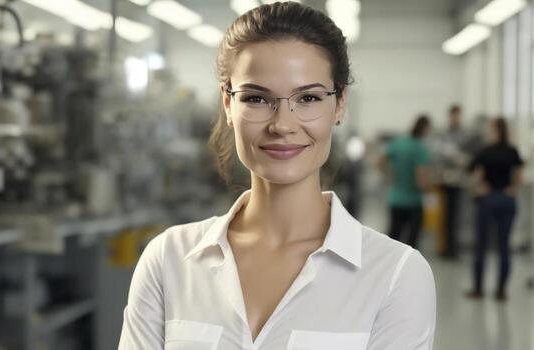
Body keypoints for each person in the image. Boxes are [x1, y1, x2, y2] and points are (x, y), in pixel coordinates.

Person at [118, 3, 436, 349]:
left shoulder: (395, 275)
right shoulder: (169, 260)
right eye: (256, 98)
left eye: (309, 98)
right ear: (228, 104)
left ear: (340, 104)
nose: (282, 125)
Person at [466, 117, 524, 301]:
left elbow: (472, 170)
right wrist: (513, 189)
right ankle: (501, 291)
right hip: (507, 199)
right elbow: (519, 174)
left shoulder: (485, 151)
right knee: (504, 246)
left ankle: (478, 289)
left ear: (495, 131)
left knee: (481, 245)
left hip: (488, 199)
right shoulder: (512, 151)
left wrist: (479, 187)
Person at [379, 115, 433, 249]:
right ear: (425, 129)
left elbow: (379, 161)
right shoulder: (420, 148)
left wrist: (390, 176)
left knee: (393, 242)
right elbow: (420, 181)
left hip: (395, 200)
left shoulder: (399, 143)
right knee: (411, 246)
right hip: (413, 203)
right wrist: (429, 185)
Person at [437, 105, 469, 259]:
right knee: (444, 216)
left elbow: (467, 159)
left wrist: (458, 157)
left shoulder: (465, 135)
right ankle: (444, 247)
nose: (455, 118)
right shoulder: (443, 134)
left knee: (456, 216)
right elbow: (437, 154)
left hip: (457, 180)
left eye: (457, 116)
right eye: (452, 116)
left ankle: (454, 248)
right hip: (444, 179)